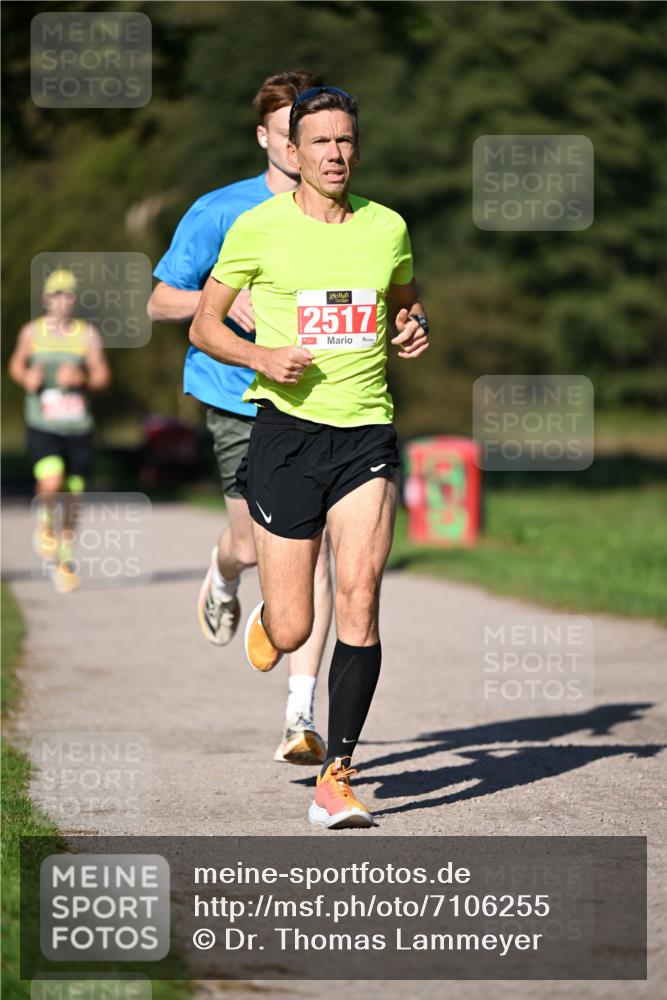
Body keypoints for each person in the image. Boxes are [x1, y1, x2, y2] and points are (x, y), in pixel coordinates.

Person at [190, 86, 429, 828]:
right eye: (320, 142)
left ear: (358, 147)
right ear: (293, 151)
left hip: (366, 434)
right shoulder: (258, 229)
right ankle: (272, 615)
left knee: (358, 596)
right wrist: (261, 352)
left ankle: (339, 776)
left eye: (346, 141)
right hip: (286, 434)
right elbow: (203, 326)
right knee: (294, 628)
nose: (335, 154)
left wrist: (415, 327)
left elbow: (405, 300)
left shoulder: (386, 226)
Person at [147, 71, 332, 766]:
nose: (304, 147)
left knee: (312, 550)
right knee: (255, 548)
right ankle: (225, 573)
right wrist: (221, 307)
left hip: (318, 404)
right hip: (237, 399)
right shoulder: (221, 210)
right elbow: (160, 301)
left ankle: (299, 715)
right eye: (289, 133)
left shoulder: (344, 213)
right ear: (266, 138)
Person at [8, 268, 111, 593]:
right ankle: (44, 524)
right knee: (51, 481)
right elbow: (15, 364)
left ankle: (64, 559)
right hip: (43, 423)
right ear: (45, 299)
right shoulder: (31, 332)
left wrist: (80, 380)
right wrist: (26, 378)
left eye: (67, 295)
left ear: (73, 300)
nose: (61, 301)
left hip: (77, 426)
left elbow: (101, 377)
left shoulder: (87, 335)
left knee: (73, 496)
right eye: (55, 294)